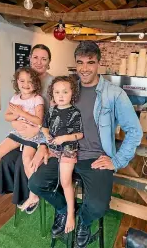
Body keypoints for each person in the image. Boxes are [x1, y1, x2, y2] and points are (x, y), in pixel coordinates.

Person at [28, 41, 143, 248]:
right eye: (80, 62)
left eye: (90, 62)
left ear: (99, 63)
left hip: (94, 157)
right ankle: (63, 210)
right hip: (63, 153)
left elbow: (135, 131)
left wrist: (116, 160)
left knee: (98, 207)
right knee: (35, 183)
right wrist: (43, 145)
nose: (85, 68)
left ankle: (84, 220)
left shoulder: (114, 94)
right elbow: (50, 121)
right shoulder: (68, 89)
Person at [0, 44, 54, 214]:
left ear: (49, 63)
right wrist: (15, 124)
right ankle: (19, 196)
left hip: (44, 136)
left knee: (22, 162)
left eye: (44, 59)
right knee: (6, 159)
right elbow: (14, 111)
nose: (39, 62)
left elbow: (55, 116)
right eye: (35, 57)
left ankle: (34, 195)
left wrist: (44, 144)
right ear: (29, 58)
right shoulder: (23, 81)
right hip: (23, 135)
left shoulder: (53, 83)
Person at [0, 67, 44, 204]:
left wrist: (22, 113)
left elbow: (39, 121)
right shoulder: (15, 98)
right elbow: (7, 116)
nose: (26, 84)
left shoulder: (37, 99)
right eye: (22, 81)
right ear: (17, 82)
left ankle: (33, 194)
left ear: (36, 83)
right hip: (18, 133)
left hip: (33, 136)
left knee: (26, 160)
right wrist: (15, 117)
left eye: (30, 81)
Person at [41, 76, 83, 233]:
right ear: (52, 93)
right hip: (52, 149)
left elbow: (80, 135)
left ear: (73, 93)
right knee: (33, 163)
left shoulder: (75, 112)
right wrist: (46, 135)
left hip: (68, 150)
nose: (61, 95)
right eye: (57, 92)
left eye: (65, 92)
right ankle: (33, 196)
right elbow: (44, 127)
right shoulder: (51, 110)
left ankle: (70, 213)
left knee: (66, 182)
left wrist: (64, 138)